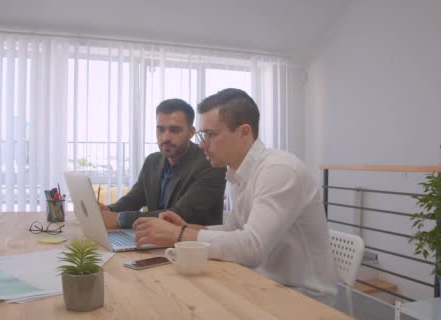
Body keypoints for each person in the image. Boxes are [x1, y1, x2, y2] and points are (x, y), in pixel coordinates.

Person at [132, 88, 337, 302]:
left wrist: (178, 235)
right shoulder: (236, 172)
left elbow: (251, 247)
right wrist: (185, 227)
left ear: (244, 132)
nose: (202, 144)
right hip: (262, 282)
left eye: (210, 135)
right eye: (202, 135)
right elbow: (234, 230)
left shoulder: (280, 170)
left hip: (305, 296)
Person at [99, 98, 227, 229]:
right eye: (160, 130)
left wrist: (121, 219)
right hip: (154, 240)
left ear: (191, 132)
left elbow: (181, 215)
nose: (165, 137)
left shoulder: (209, 162)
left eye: (174, 130)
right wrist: (107, 211)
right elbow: (133, 200)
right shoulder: (152, 161)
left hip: (191, 245)